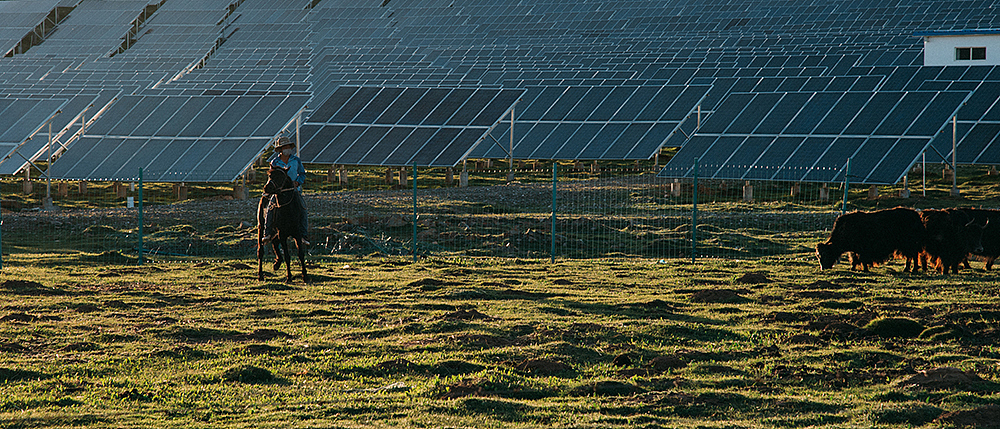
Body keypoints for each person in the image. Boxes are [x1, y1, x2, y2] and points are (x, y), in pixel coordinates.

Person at [261, 136, 309, 245]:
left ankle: (304, 235)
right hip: (279, 192)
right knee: (270, 208)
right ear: (280, 149)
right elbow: (271, 177)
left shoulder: (296, 160)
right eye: (285, 147)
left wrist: (297, 182)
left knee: (303, 208)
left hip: (293, 190)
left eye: (288, 147)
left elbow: (302, 174)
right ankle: (267, 233)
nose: (287, 149)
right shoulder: (275, 162)